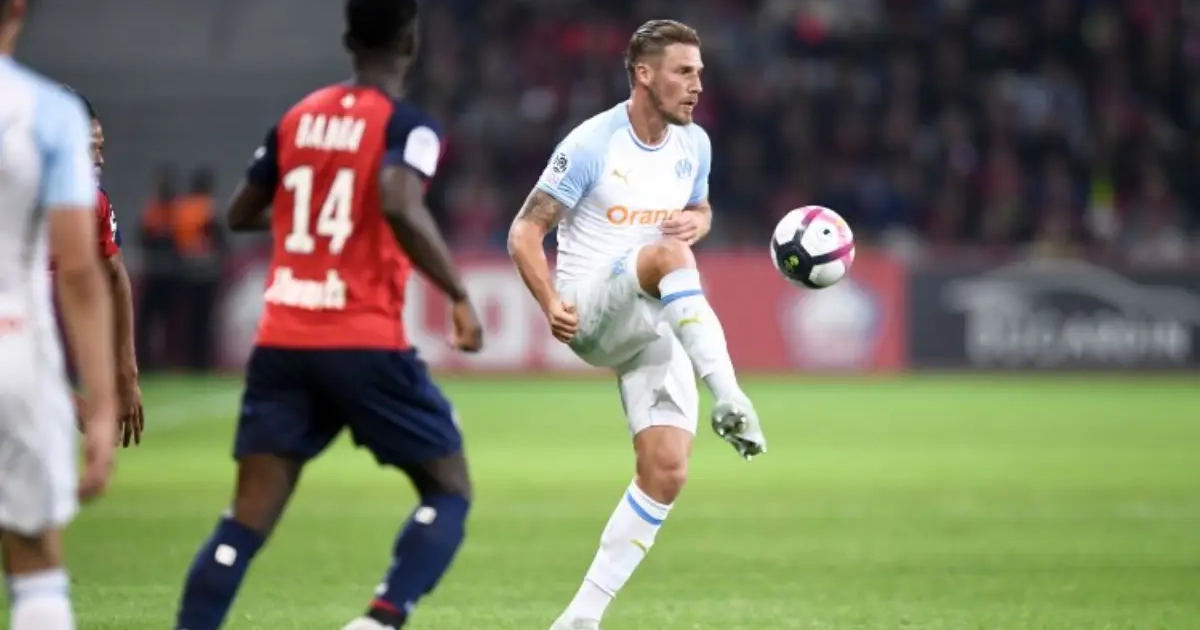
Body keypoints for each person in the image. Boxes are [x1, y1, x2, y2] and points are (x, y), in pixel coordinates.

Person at [170, 1, 483, 629]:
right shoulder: (409, 125)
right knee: (448, 486)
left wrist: (305, 218)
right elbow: (399, 201)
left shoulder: (298, 117)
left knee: (245, 519)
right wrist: (457, 292)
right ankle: (380, 618)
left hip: (283, 338)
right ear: (411, 42)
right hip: (363, 338)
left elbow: (240, 212)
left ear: (347, 40)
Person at [507, 19, 767, 630]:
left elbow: (699, 209)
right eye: (684, 72)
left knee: (666, 470)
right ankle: (730, 394)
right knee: (669, 256)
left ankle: (580, 618)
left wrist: (701, 221)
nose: (697, 85)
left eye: (700, 73)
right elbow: (524, 231)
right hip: (591, 307)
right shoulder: (591, 143)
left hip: (652, 317)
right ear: (644, 74)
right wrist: (548, 301)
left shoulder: (695, 145)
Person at [0, 1, 120, 629]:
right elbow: (79, 270)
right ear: (19, 9)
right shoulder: (47, 112)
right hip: (13, 349)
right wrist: (101, 405)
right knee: (35, 563)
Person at [59, 87, 144, 446]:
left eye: (101, 148)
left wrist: (126, 373)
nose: (100, 160)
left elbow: (115, 276)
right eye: (89, 148)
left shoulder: (93, 204)